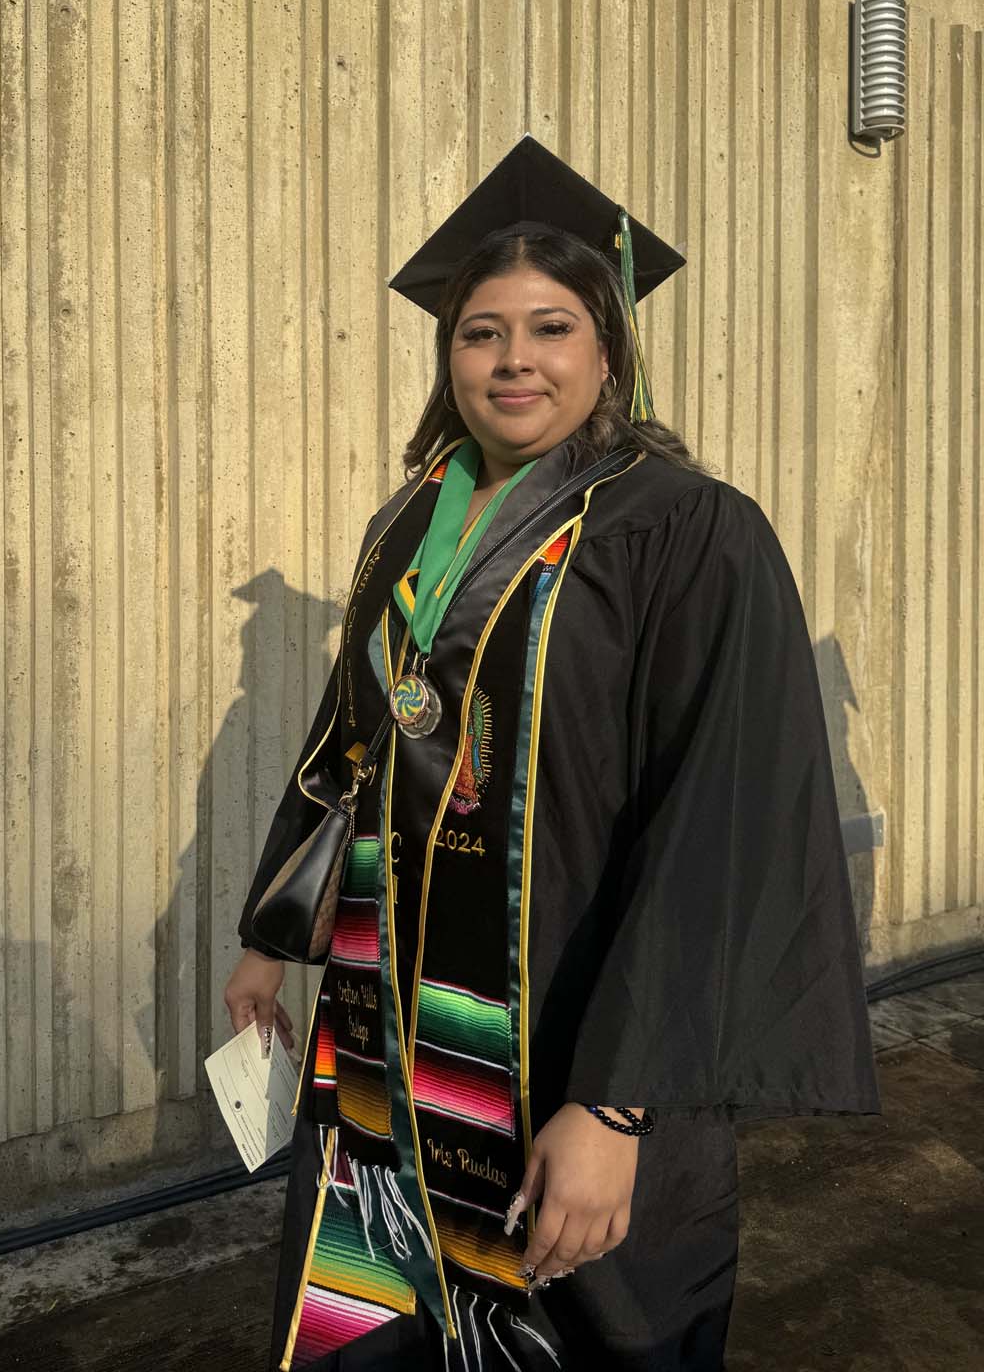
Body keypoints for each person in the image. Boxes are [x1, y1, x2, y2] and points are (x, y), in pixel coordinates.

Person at [224, 136, 880, 1371]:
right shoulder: (411, 522)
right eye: (481, 332)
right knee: (381, 1309)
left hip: (573, 1036)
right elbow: (354, 740)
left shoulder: (688, 531)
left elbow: (719, 829)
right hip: (387, 1028)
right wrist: (276, 931)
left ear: (609, 350)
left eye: (551, 327)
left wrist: (617, 1101)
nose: (513, 358)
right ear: (449, 355)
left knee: (574, 1317)